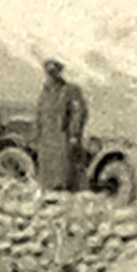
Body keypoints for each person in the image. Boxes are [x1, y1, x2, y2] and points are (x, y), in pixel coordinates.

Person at [33, 58, 88, 191]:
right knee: (47, 173)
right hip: (46, 138)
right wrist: (37, 133)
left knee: (64, 171)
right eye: (49, 73)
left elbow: (78, 113)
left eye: (54, 72)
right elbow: (39, 114)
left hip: (63, 137)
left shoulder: (70, 91)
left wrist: (74, 134)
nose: (51, 76)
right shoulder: (45, 93)